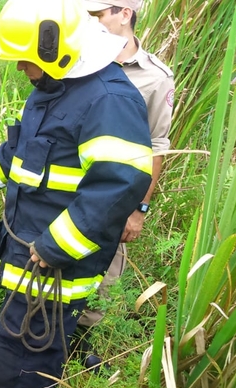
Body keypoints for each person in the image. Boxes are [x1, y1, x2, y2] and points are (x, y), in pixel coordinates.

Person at [0, 0, 152, 388]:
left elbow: (119, 186)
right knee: (34, 342)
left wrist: (55, 246)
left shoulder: (107, 100)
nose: (19, 69)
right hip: (34, 246)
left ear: (54, 49)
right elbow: (22, 149)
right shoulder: (54, 87)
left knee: (22, 353)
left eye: (24, 60)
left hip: (57, 262)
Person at [76, 0, 175, 363]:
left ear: (124, 14)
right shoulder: (80, 60)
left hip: (118, 194)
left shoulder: (155, 76)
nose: (93, 22)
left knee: (105, 271)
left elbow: (157, 146)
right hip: (73, 183)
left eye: (99, 14)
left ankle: (83, 342)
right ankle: (51, 330)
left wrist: (139, 209)